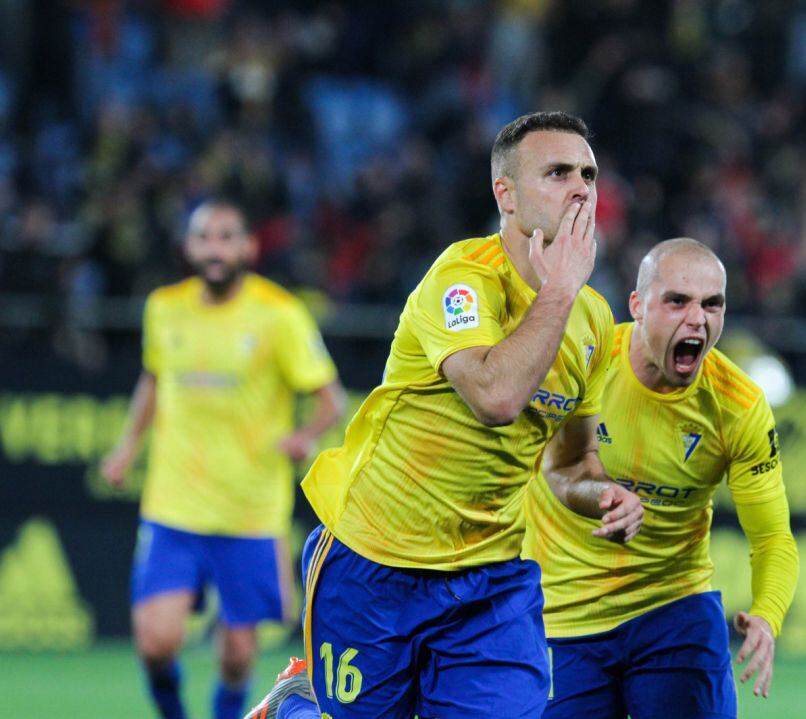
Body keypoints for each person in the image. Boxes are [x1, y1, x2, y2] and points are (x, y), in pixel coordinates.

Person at [264, 111, 644, 719]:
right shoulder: (461, 279)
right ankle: (298, 709)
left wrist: (602, 494)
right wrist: (558, 292)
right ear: (507, 194)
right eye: (557, 173)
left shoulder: (593, 321)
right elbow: (495, 398)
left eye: (588, 175)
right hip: (375, 561)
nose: (581, 189)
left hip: (490, 582)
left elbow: (571, 462)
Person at [523, 238, 799, 719]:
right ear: (638, 306)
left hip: (674, 612)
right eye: (678, 301)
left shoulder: (738, 406)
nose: (698, 319)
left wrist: (767, 617)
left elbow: (773, 536)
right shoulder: (583, 359)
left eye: (713, 304)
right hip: (563, 615)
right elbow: (546, 469)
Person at [100, 198, 347, 719]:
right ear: (188, 247)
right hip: (174, 504)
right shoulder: (164, 307)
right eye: (204, 237)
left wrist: (303, 435)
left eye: (226, 237)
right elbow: (152, 379)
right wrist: (126, 447)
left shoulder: (280, 315)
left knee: (237, 657)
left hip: (248, 511)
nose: (214, 248)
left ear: (248, 246)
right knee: (155, 642)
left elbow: (331, 399)